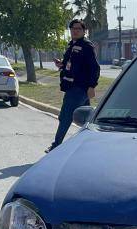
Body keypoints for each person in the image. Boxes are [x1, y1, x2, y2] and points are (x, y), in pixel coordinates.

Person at [46, 19, 100, 153]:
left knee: (65, 116)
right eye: (73, 29)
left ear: (84, 31)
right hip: (72, 86)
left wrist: (92, 86)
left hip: (79, 88)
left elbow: (95, 68)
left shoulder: (87, 46)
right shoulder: (71, 45)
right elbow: (72, 65)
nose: (75, 31)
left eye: (78, 29)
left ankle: (56, 145)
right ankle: (88, 147)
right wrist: (62, 65)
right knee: (87, 119)